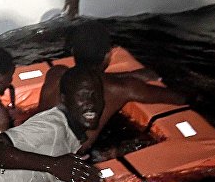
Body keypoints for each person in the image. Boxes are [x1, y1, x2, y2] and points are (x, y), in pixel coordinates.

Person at [35, 20, 187, 152]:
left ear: (73, 52)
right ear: (108, 55)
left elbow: (91, 77)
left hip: (31, 143)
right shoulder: (121, 88)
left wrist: (130, 75)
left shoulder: (55, 73)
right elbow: (179, 98)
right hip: (66, 160)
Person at [0, 65, 105, 182]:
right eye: (83, 96)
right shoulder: (52, 126)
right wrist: (52, 165)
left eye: (96, 96)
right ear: (64, 99)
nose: (91, 103)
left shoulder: (73, 138)